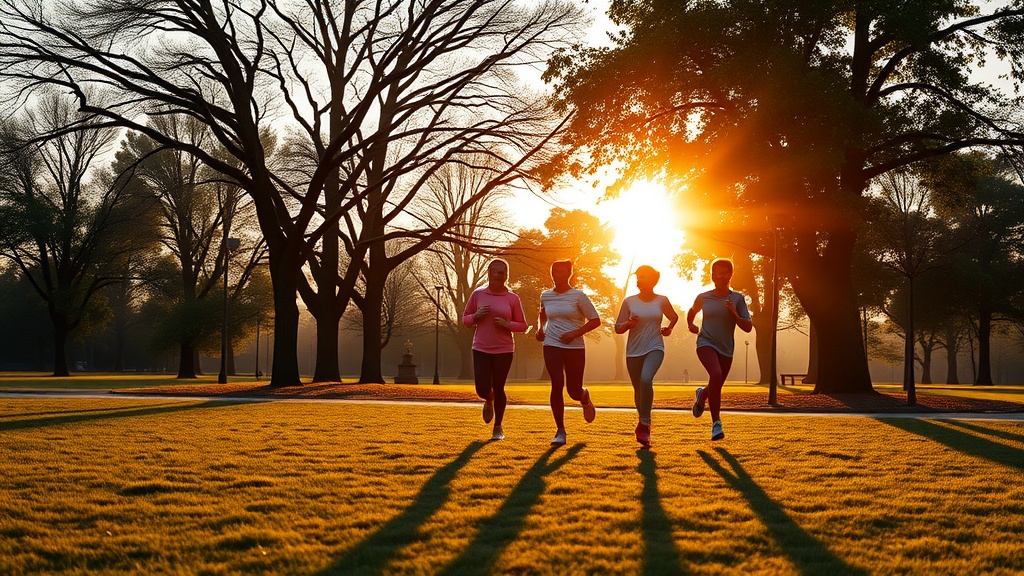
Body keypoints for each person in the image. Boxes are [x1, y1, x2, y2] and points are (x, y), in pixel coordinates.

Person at [536, 259, 601, 445]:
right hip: (552, 345)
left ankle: (583, 396)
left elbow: (595, 321)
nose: (557, 275)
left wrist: (575, 333)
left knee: (572, 391)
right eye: (554, 271)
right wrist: (541, 329)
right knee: (556, 383)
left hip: (575, 347)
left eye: (562, 271)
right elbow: (543, 312)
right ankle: (560, 431)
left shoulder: (578, 296)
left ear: (570, 273)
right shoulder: (546, 295)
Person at [462, 258, 528, 441]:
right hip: (481, 347)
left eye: (504, 273)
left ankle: (497, 427)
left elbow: (523, 325)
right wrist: (476, 316)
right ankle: (488, 399)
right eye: (497, 272)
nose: (500, 276)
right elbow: (465, 320)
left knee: (499, 387)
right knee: (482, 389)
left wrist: (508, 325)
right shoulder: (478, 294)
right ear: (489, 273)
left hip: (504, 349)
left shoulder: (512, 298)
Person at [687, 258, 753, 441]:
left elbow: (747, 327)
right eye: (717, 273)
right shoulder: (703, 297)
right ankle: (716, 424)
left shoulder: (737, 298)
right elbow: (692, 311)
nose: (720, 276)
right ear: (712, 276)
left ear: (730, 275)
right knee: (716, 375)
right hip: (705, 343)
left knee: (716, 384)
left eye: (724, 272)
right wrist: (690, 324)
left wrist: (733, 312)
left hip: (726, 349)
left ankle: (702, 394)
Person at [614, 265, 679, 447]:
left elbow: (674, 317)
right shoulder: (629, 301)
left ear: (653, 279)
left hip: (655, 346)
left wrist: (669, 328)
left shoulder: (662, 300)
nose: (640, 279)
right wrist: (628, 323)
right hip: (633, 351)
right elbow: (618, 328)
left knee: (646, 379)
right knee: (638, 389)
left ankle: (645, 423)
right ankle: (643, 424)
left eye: (644, 276)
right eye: (638, 276)